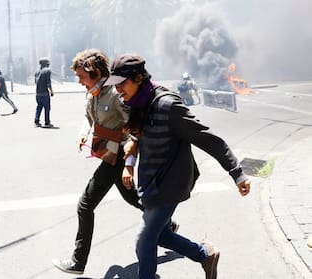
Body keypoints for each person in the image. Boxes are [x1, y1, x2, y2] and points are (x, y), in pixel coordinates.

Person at [104, 54, 251, 279]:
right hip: (150, 184)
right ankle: (205, 254)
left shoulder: (168, 106)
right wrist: (130, 162)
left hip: (170, 185)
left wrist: (237, 173)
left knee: (144, 241)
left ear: (139, 78)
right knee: (161, 235)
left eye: (121, 84)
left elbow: (207, 138)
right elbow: (136, 136)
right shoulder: (138, 103)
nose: (118, 90)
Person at [51, 49, 178, 275]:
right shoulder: (92, 92)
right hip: (108, 154)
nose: (79, 82)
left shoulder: (116, 94)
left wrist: (129, 163)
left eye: (82, 77)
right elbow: (88, 117)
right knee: (133, 198)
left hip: (118, 157)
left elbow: (134, 130)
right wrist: (84, 132)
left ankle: (78, 262)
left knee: (85, 205)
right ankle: (166, 224)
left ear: (96, 72)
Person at [34, 57, 54, 127]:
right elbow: (48, 83)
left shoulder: (37, 72)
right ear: (47, 64)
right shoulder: (47, 71)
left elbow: (35, 82)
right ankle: (47, 122)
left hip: (38, 94)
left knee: (39, 107)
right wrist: (51, 91)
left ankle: (36, 121)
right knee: (47, 108)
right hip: (45, 93)